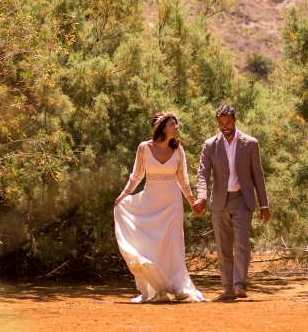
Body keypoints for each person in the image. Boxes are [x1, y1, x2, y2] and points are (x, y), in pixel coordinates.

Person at [114, 112, 207, 303]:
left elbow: (183, 180)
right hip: (150, 201)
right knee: (153, 245)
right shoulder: (144, 148)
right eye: (173, 124)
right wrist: (124, 195)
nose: (176, 127)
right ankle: (156, 285)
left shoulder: (178, 149)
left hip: (172, 202)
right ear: (163, 127)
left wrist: (192, 203)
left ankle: (179, 286)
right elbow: (136, 176)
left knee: (174, 244)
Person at [193, 104, 270, 301]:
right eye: (221, 123)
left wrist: (264, 204)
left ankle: (239, 286)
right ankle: (227, 288)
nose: (224, 126)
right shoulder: (210, 145)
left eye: (228, 122)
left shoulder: (250, 143)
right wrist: (201, 196)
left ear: (235, 120)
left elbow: (257, 175)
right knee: (223, 246)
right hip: (220, 202)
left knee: (242, 244)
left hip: (242, 201)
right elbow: (202, 174)